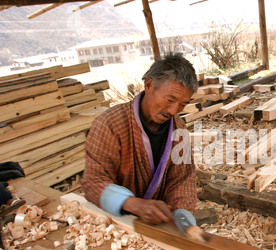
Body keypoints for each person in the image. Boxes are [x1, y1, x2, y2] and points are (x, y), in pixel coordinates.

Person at [82, 52, 198, 231]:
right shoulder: (109, 124)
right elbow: (93, 180)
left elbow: (182, 179)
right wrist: (133, 204)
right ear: (149, 85)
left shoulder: (178, 129)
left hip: (157, 224)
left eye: (182, 104)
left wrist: (182, 213)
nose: (174, 111)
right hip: (113, 223)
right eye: (170, 100)